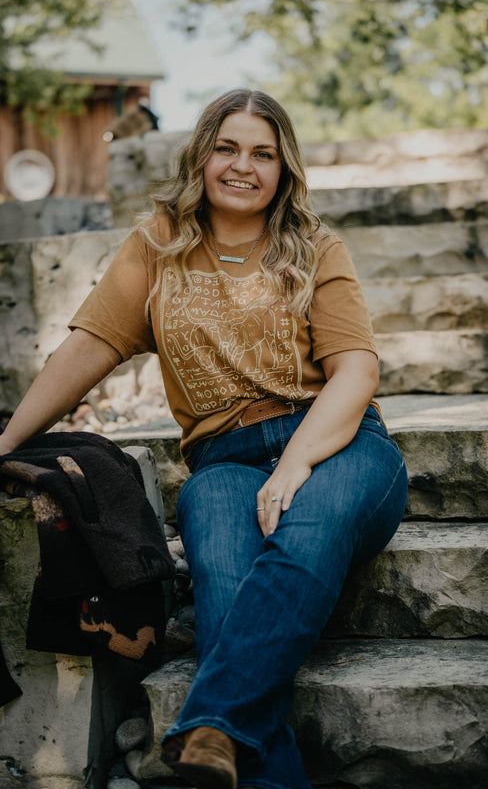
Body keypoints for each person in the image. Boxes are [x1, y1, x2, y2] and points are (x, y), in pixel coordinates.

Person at [0, 89, 408, 789]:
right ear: (200, 155)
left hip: (338, 446)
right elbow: (88, 348)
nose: (241, 165)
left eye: (262, 153)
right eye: (227, 147)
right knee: (223, 586)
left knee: (303, 534)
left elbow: (356, 370)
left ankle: (209, 727)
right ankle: (242, 759)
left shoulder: (315, 246)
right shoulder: (157, 246)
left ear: (283, 169)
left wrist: (294, 466)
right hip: (221, 462)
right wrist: (4, 440)